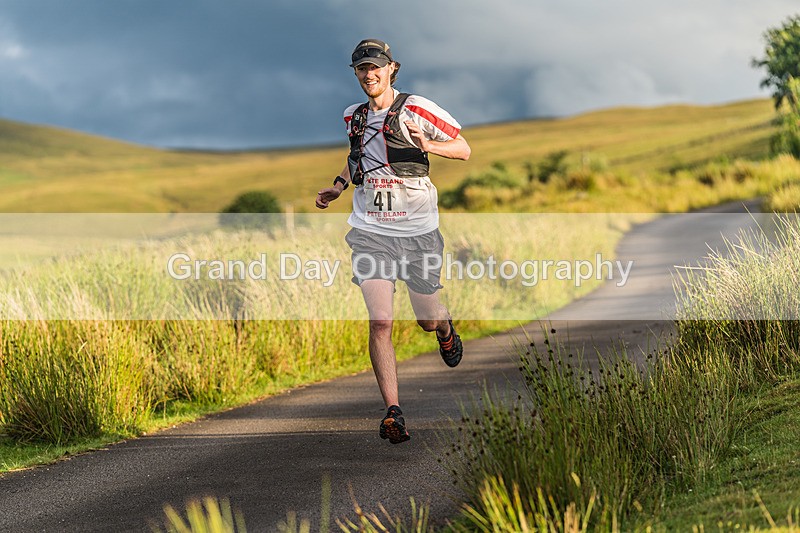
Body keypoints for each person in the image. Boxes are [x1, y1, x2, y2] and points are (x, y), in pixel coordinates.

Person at [316, 38, 471, 444]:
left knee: (425, 318)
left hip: (418, 232)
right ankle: (393, 413)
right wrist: (338, 186)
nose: (369, 74)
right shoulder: (353, 116)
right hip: (371, 232)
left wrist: (429, 144)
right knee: (381, 320)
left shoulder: (416, 107)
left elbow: (464, 148)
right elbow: (356, 157)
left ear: (391, 69)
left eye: (376, 67)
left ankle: (443, 325)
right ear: (356, 73)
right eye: (361, 69)